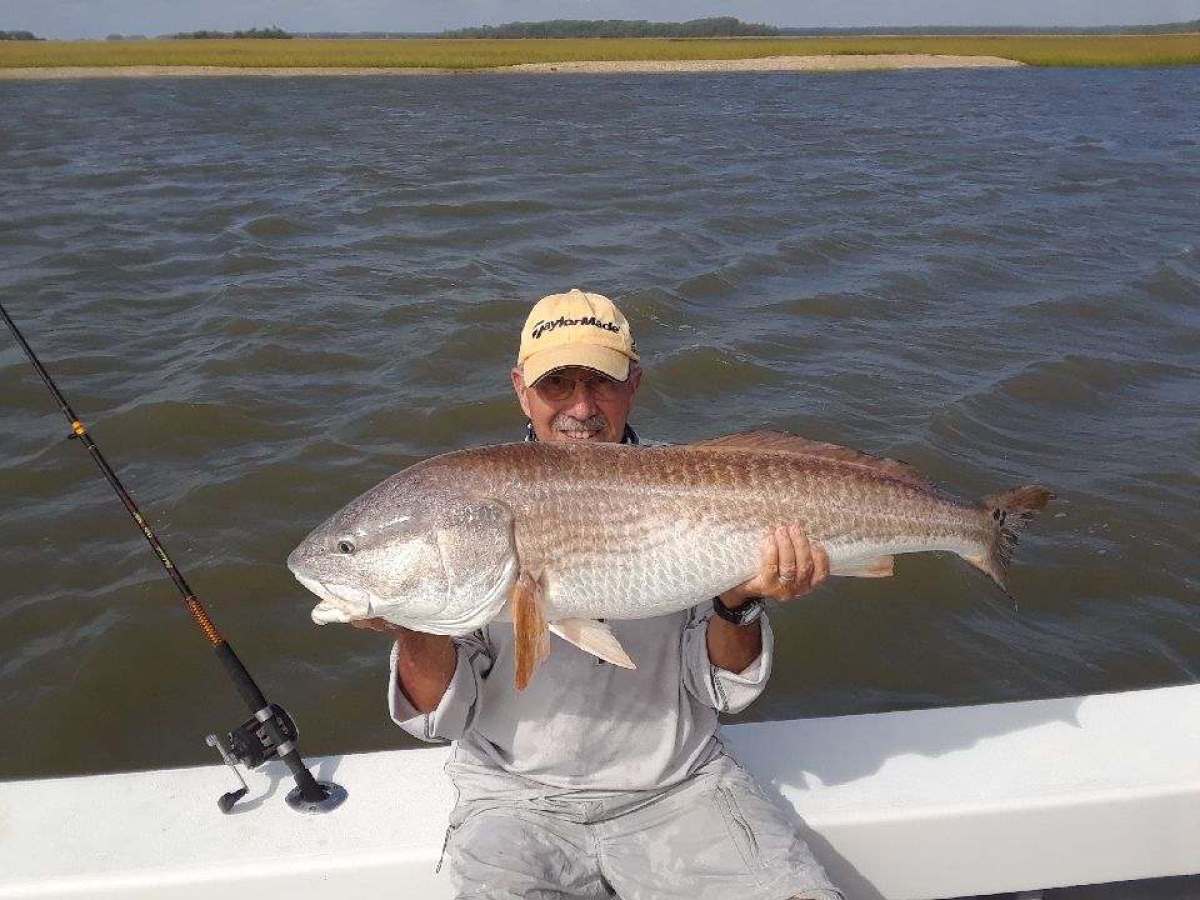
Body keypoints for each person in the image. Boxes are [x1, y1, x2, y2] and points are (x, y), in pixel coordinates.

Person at [353, 289, 843, 900]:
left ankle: (976, 531)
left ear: (633, 384)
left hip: (679, 786)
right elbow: (442, 719)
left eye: (601, 383)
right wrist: (412, 621)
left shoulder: (696, 487)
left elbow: (723, 691)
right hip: (513, 802)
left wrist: (737, 603)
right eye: (558, 385)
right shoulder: (465, 508)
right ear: (521, 388)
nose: (581, 408)